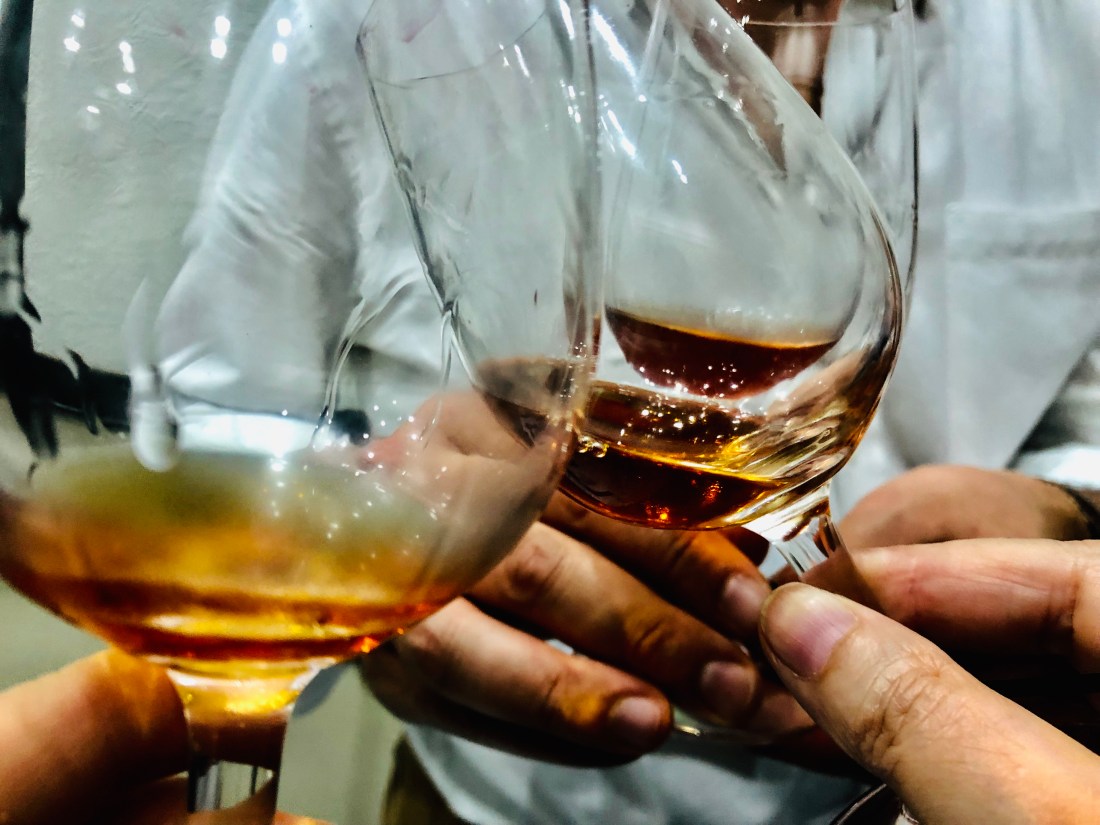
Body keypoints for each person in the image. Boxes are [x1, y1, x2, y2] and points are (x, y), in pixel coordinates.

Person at [138, 0, 1100, 821]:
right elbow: (219, 411)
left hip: (966, 783)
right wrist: (368, 564)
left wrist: (1070, 511)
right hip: (506, 798)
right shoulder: (395, 20)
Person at [7, 528, 1100, 824]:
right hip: (483, 801)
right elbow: (213, 388)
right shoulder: (388, 50)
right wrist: (406, 536)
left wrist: (1066, 508)